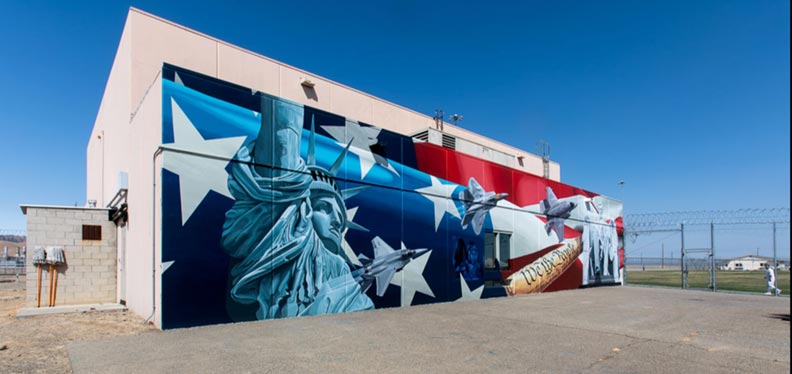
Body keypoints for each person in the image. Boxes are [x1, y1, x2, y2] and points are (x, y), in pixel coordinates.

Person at [221, 98, 373, 320]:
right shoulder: (285, 232)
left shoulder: (341, 271)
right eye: (324, 208)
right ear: (304, 208)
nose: (335, 223)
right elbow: (282, 136)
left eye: (340, 222)